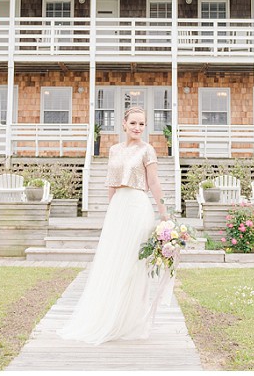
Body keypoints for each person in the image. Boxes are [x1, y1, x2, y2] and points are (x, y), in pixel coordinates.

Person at [58, 106, 168, 345]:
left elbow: (154, 182)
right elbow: (110, 182)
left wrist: (164, 213)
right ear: (124, 124)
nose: (137, 128)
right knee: (114, 260)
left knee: (133, 263)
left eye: (142, 124)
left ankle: (131, 320)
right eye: (133, 123)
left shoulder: (147, 150)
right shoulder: (114, 150)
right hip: (119, 207)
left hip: (138, 206)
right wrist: (111, 211)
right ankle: (110, 315)